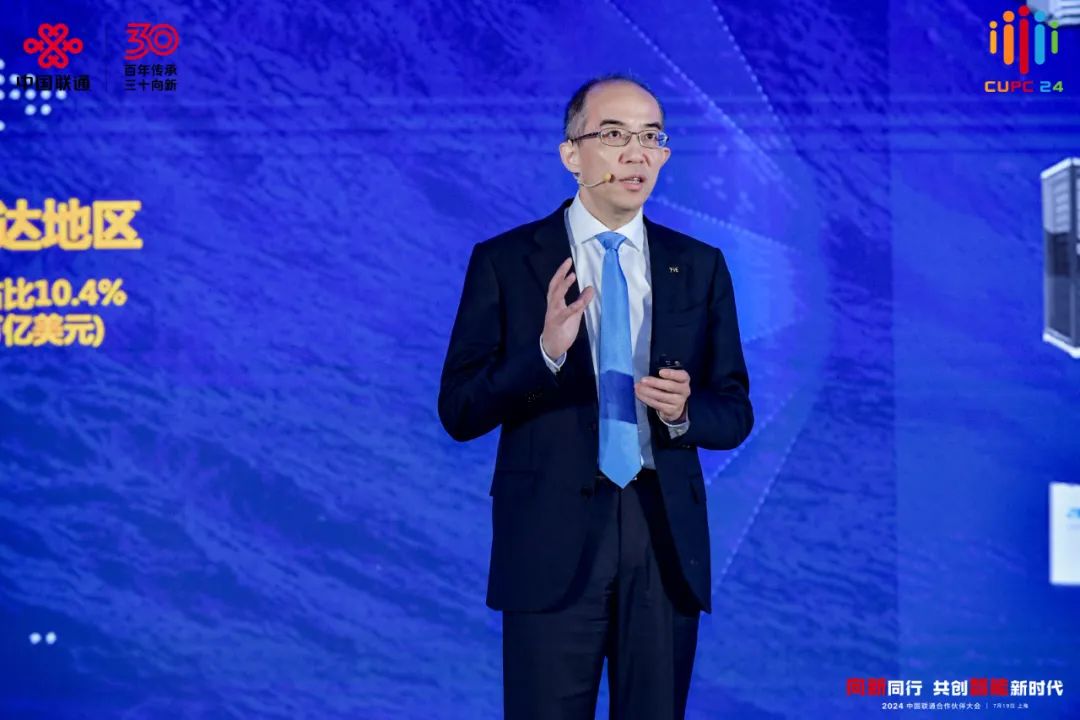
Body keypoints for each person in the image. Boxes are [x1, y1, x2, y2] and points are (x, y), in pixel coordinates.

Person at [438, 73, 754, 720]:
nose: (636, 154)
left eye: (651, 138)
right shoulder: (507, 261)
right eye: (613, 135)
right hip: (549, 536)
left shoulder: (699, 265)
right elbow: (460, 410)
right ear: (571, 154)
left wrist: (683, 411)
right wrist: (544, 353)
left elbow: (734, 411)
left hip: (662, 536)